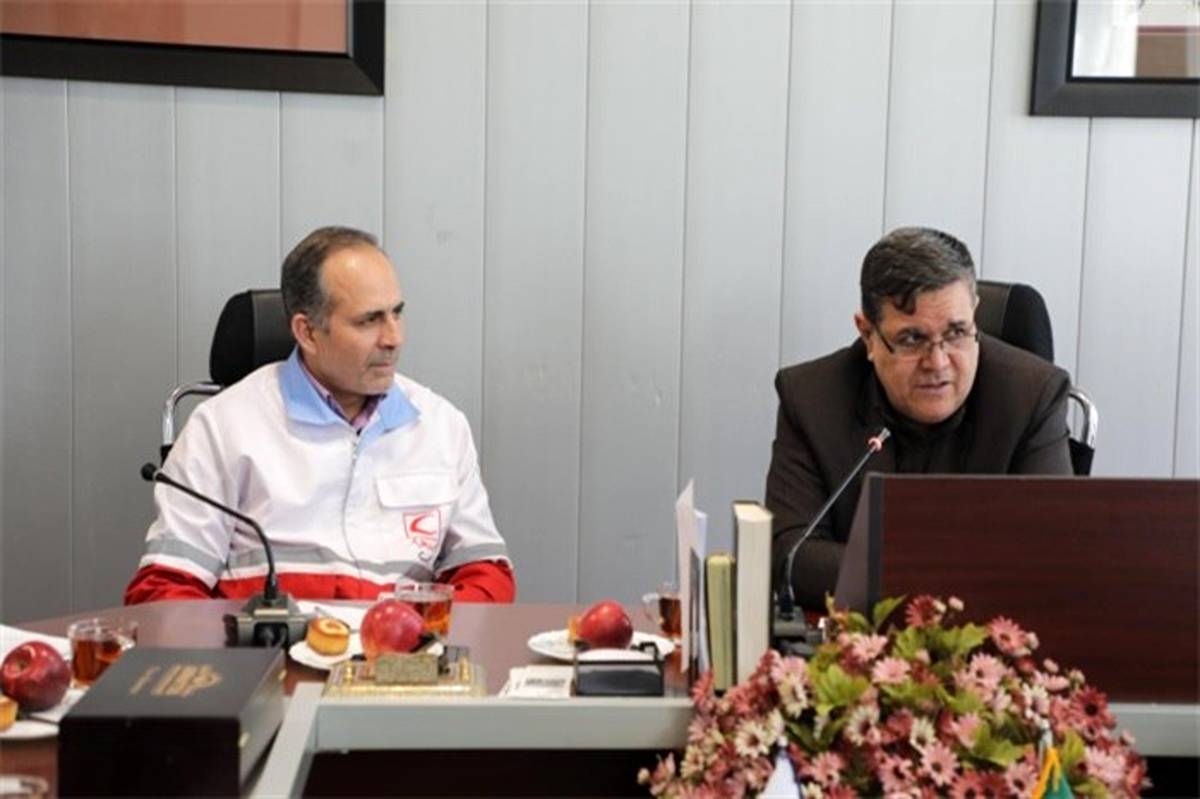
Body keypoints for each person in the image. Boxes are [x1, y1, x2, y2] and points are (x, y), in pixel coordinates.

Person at [126, 227, 515, 604]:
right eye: (369, 320)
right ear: (307, 332)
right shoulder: (223, 426)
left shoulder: (441, 426)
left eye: (397, 313)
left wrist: (418, 628)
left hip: (400, 645)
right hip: (271, 645)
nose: (393, 338)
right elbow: (163, 590)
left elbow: (485, 573)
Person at [766, 227, 1071, 610]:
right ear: (868, 335)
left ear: (974, 316)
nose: (938, 363)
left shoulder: (1032, 395)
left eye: (957, 333)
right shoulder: (813, 398)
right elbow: (790, 556)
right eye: (912, 339)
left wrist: (900, 575)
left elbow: (1051, 556)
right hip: (859, 636)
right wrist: (944, 579)